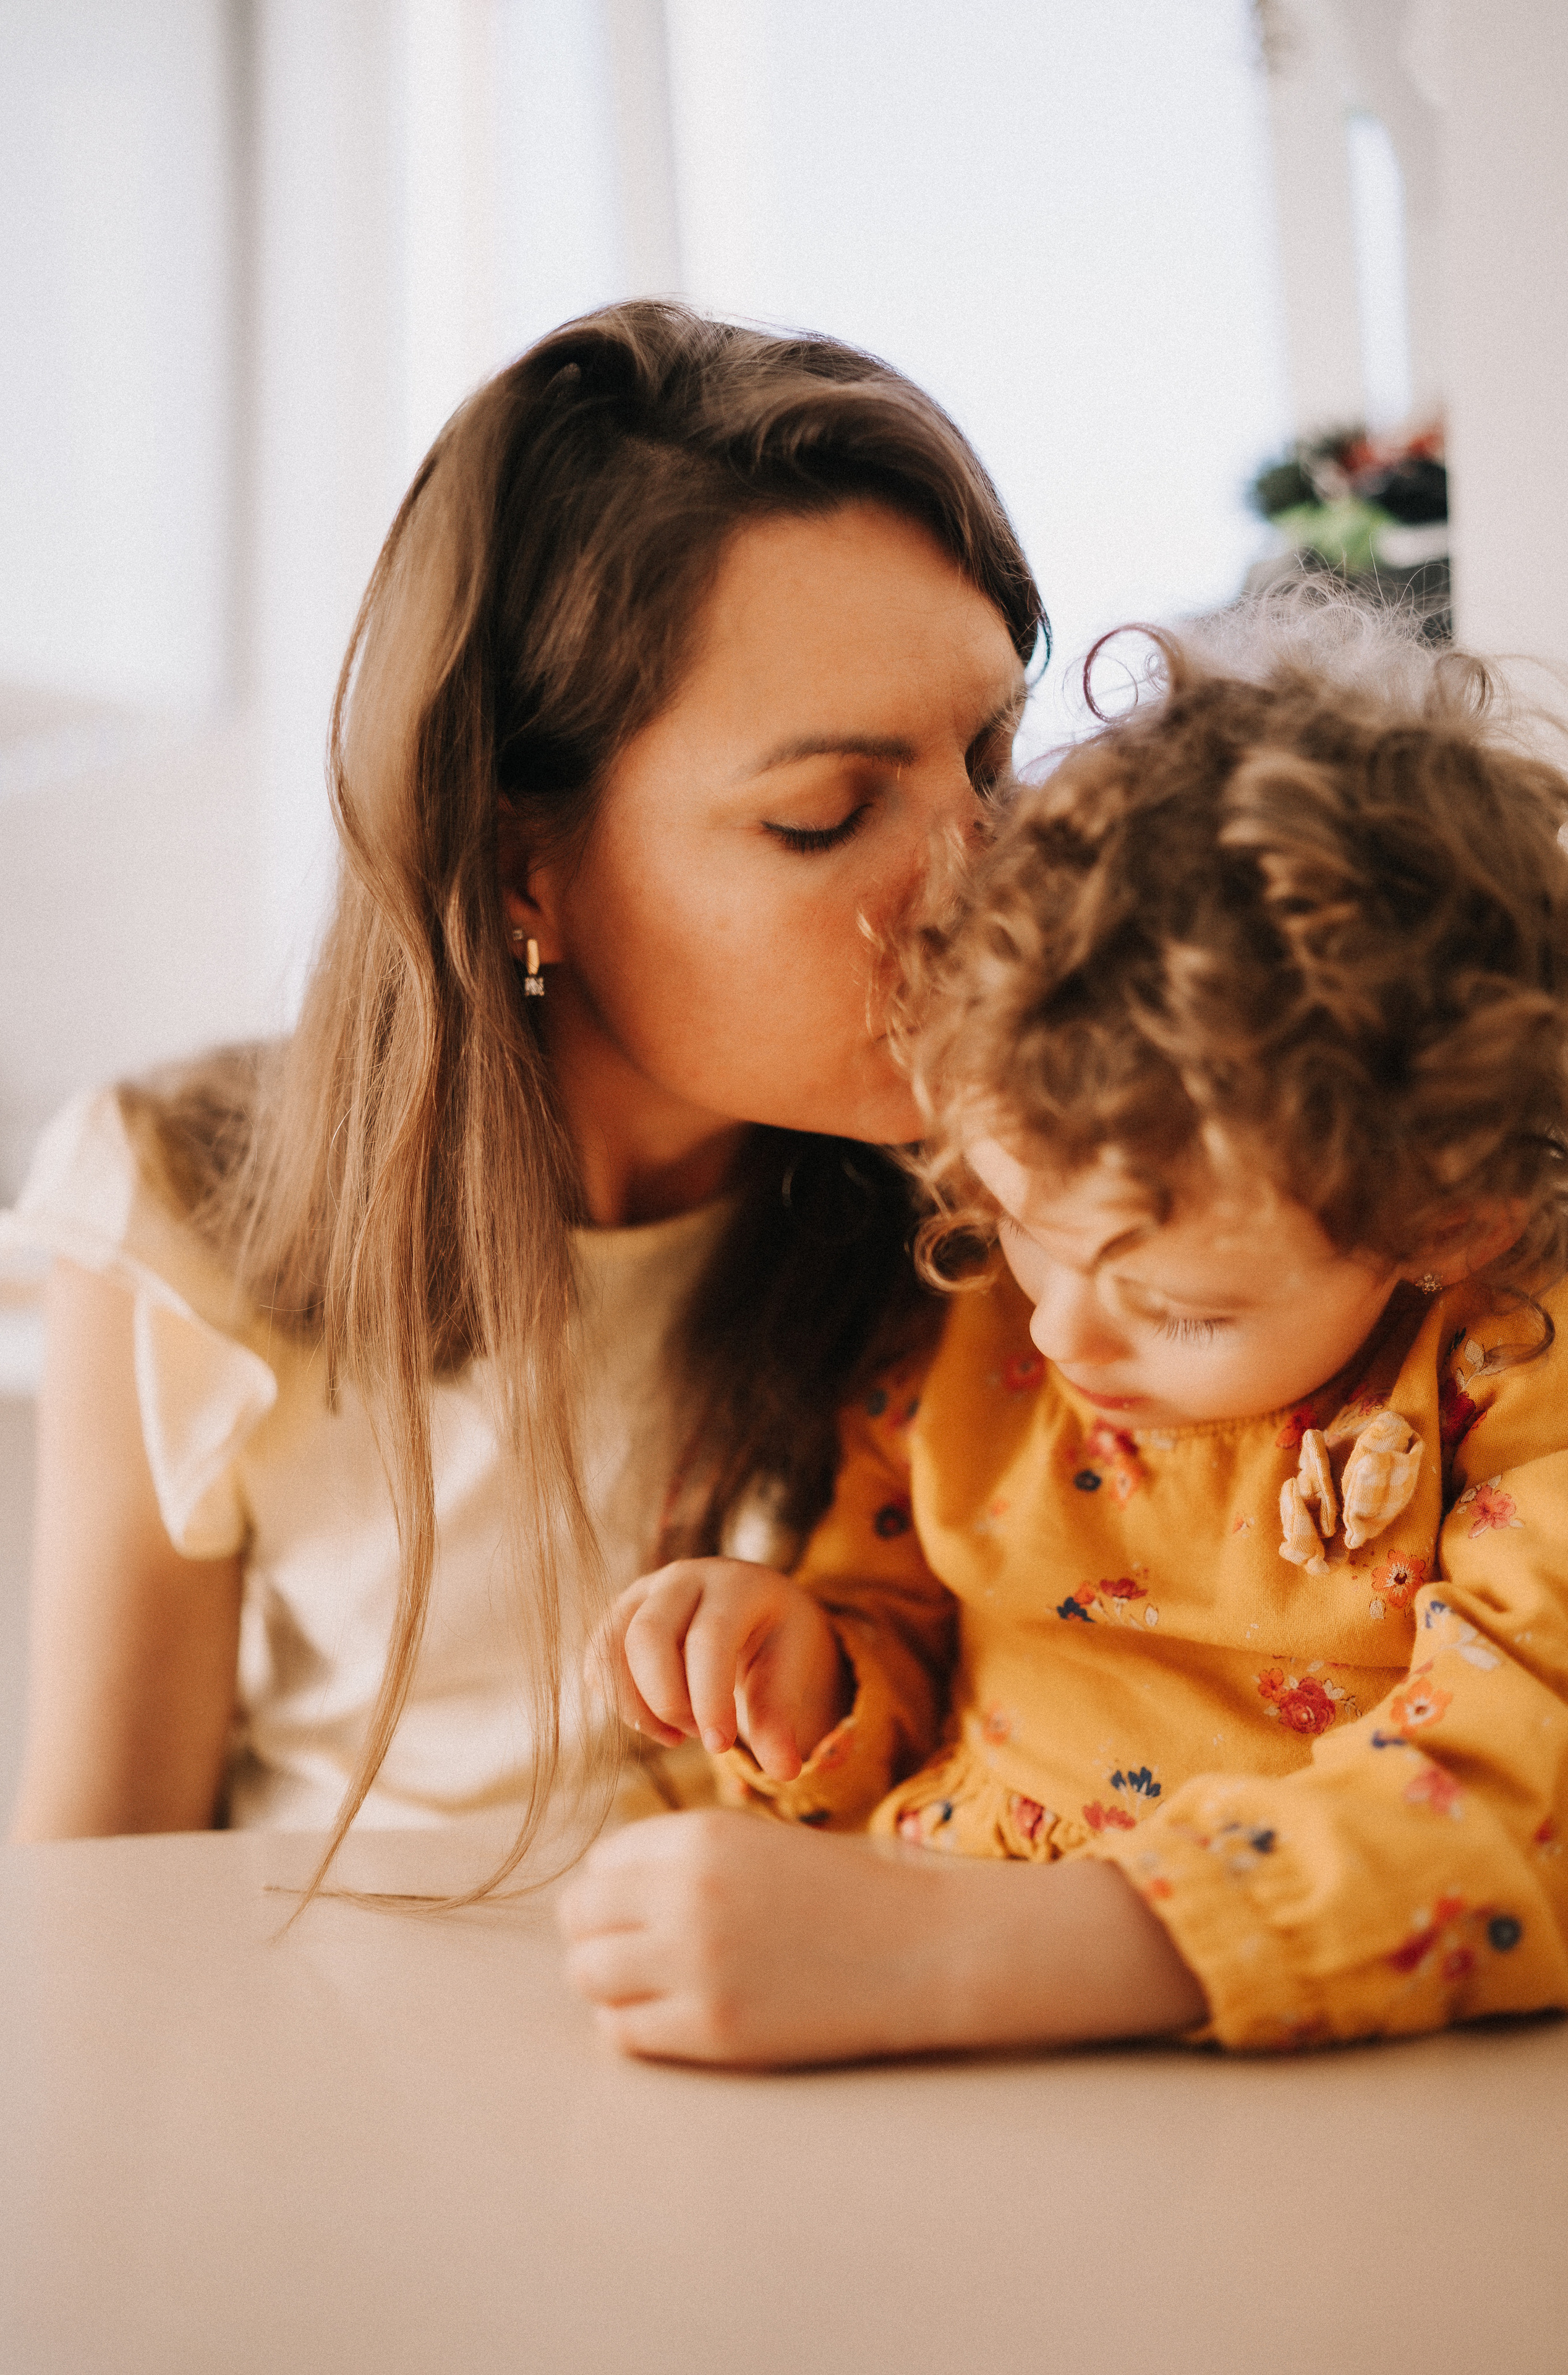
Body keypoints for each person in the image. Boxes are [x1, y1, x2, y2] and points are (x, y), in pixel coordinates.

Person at [0, 301, 1041, 1890]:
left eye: (992, 753)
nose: (988, 880)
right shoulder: (177, 1200)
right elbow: (95, 1899)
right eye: (828, 816)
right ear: (514, 869)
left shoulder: (1043, 1211)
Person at [569, 599, 1568, 2061]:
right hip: (932, 2017)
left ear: (1442, 1221)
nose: (1064, 1339)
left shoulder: (1505, 1370)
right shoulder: (977, 1325)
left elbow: (1523, 1784)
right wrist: (802, 1665)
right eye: (1018, 1225)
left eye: (1180, 1308)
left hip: (1296, 2058)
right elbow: (902, 1634)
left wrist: (964, 1958)